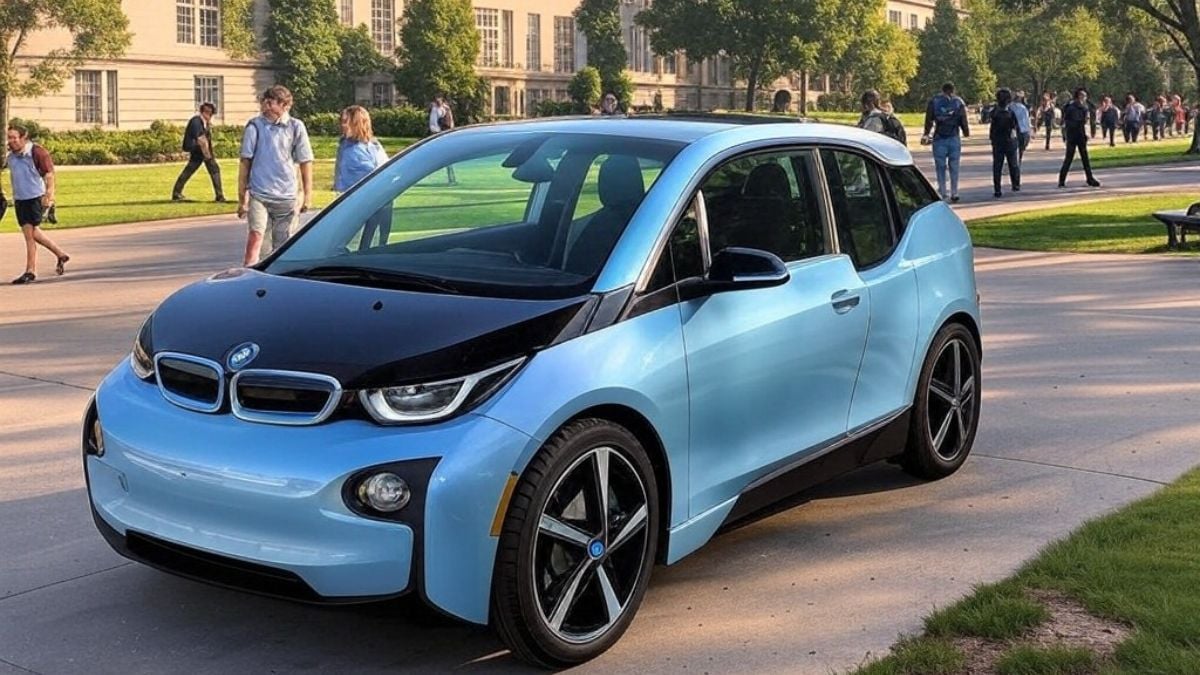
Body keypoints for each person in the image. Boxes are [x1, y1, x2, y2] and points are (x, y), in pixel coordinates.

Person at [236, 85, 314, 266]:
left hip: (286, 196)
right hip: (259, 194)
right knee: (256, 236)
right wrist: (242, 198)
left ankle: (277, 280)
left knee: (282, 244)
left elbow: (306, 162)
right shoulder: (255, 126)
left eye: (271, 103)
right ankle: (249, 274)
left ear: (285, 105)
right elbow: (245, 163)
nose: (265, 106)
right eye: (264, 102)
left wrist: (307, 196)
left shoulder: (296, 127)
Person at [6, 123, 69, 284]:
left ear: (23, 138)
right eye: (9, 137)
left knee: (29, 234)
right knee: (33, 233)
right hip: (20, 198)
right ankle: (60, 254)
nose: (11, 141)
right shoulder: (11, 157)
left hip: (35, 197)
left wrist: (49, 195)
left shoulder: (36, 152)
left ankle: (31, 270)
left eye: (14, 138)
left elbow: (49, 174)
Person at [334, 105, 390, 251]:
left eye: (346, 121)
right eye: (342, 121)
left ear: (357, 123)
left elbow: (382, 174)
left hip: (371, 203)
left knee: (367, 245)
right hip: (348, 202)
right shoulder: (344, 144)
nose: (342, 125)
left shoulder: (373, 148)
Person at [921, 82, 970, 202]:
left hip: (939, 137)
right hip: (954, 136)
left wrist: (926, 133)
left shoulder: (934, 101)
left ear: (942, 90)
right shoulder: (958, 102)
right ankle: (954, 191)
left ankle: (943, 191)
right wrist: (966, 131)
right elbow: (963, 119)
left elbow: (929, 119)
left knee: (940, 166)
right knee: (954, 165)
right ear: (953, 90)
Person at [172, 102, 226, 202]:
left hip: (198, 151)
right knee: (214, 170)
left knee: (189, 171)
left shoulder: (202, 122)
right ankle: (219, 196)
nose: (210, 117)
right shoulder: (196, 122)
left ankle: (176, 193)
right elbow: (201, 140)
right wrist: (209, 157)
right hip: (198, 150)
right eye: (210, 114)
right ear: (206, 113)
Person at [1058, 88, 1101, 189]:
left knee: (1072, 158)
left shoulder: (1070, 107)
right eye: (1084, 96)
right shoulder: (1079, 108)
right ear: (1080, 96)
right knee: (1081, 158)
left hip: (1072, 135)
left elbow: (1066, 122)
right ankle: (1088, 178)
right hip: (1077, 135)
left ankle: (1062, 180)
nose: (1085, 98)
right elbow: (1079, 122)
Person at [988, 88, 1021, 198]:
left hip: (997, 141)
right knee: (1013, 164)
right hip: (1009, 141)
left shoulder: (994, 112)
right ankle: (1015, 184)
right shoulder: (1010, 113)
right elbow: (1015, 127)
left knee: (998, 165)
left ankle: (997, 189)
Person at [428, 94, 457, 185]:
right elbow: (433, 125)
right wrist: (439, 134)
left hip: (447, 134)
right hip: (439, 135)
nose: (438, 101)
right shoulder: (435, 110)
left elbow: (451, 121)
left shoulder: (447, 108)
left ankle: (451, 177)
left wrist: (451, 131)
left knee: (449, 157)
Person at [1012, 90, 1032, 164]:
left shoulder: (1011, 107)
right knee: (1021, 147)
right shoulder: (1023, 108)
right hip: (1022, 130)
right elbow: (1026, 120)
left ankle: (1016, 160)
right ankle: (1018, 159)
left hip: (1016, 129)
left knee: (1017, 147)